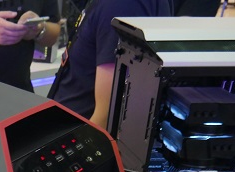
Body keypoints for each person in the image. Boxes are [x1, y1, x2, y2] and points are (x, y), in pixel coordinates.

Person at [48, 0, 173, 129]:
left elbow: (107, 112)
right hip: (67, 128)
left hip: (79, 132)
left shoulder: (120, 5)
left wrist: (85, 141)